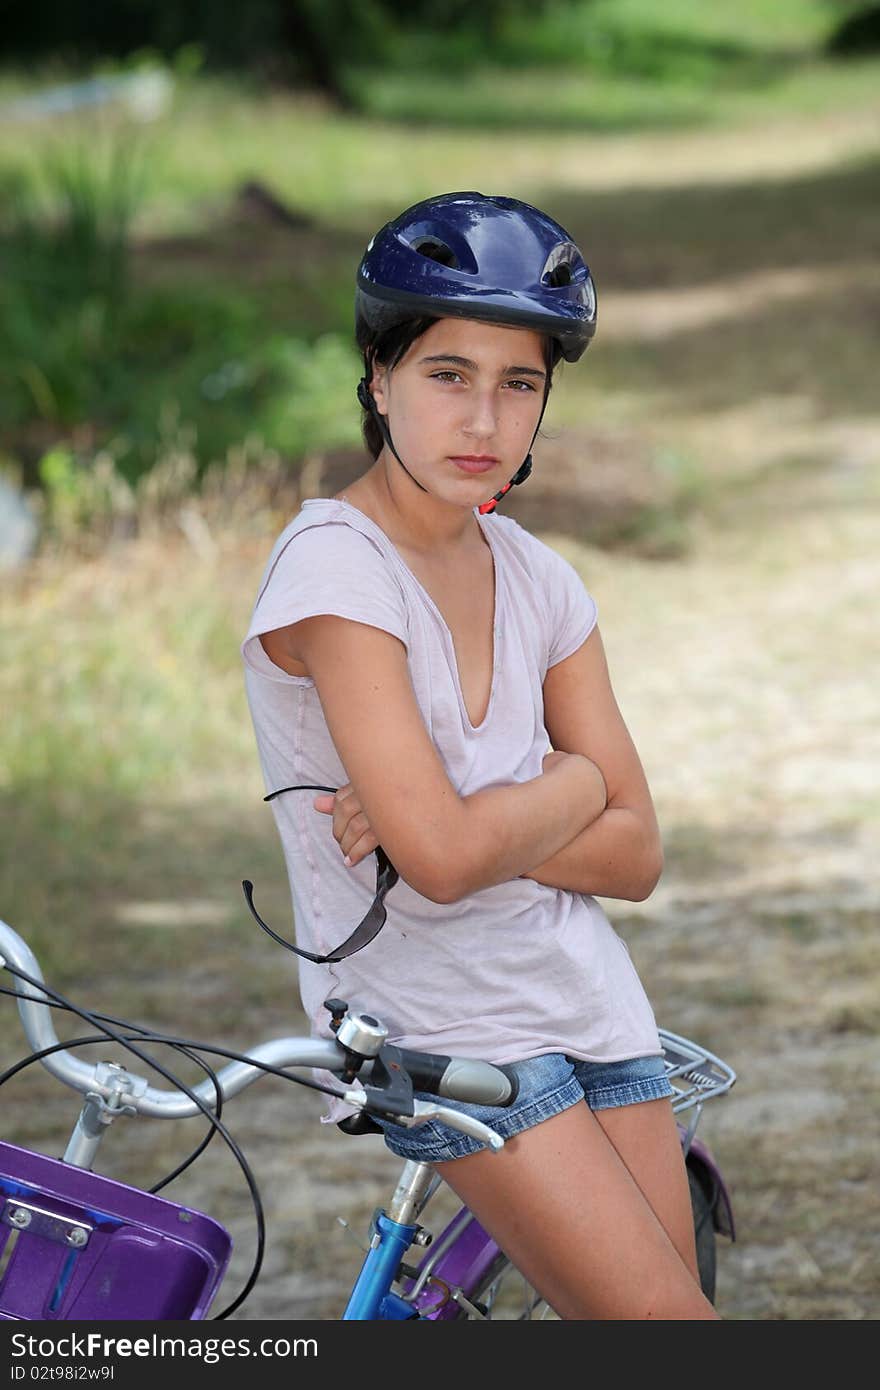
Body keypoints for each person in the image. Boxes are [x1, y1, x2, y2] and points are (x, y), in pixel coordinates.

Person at [241, 191, 717, 1319]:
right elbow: (445, 862)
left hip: (586, 995)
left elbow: (637, 854)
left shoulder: (540, 577)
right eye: (448, 374)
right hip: (435, 1023)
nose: (485, 421)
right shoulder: (335, 569)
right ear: (378, 376)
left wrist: (484, 812)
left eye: (519, 384)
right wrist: (571, 783)